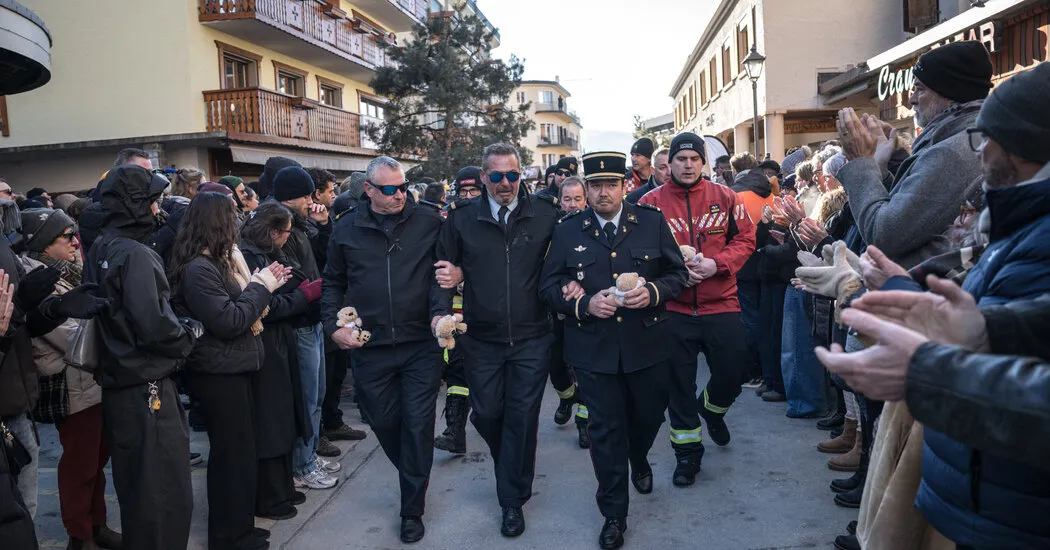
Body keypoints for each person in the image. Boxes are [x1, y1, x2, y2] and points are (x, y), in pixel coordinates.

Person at [541, 152, 689, 549]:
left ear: (625, 186)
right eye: (595, 186)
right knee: (605, 432)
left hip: (647, 344)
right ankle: (613, 514)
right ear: (584, 189)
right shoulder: (568, 230)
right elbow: (548, 286)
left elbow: (678, 275)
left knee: (647, 419)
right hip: (593, 349)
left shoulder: (651, 223)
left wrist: (653, 292)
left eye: (611, 184)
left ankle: (638, 457)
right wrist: (583, 304)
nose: (603, 193)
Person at [322, 156, 449, 544]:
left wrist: (442, 307)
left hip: (420, 345)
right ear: (369, 190)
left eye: (403, 186)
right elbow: (332, 284)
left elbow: (444, 273)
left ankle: (412, 507)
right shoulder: (345, 229)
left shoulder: (429, 221)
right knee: (385, 422)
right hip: (370, 346)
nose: (399, 195)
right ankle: (413, 470)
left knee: (418, 424)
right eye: (390, 189)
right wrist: (332, 328)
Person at [436, 142, 561, 537]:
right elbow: (444, 272)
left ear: (521, 175)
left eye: (513, 175)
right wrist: (442, 311)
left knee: (522, 418)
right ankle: (510, 462)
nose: (506, 184)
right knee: (487, 414)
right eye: (497, 176)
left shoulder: (546, 214)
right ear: (483, 177)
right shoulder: (461, 219)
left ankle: (512, 499)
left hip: (532, 336)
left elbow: (563, 265)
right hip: (483, 338)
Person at [85, 164, 202, 550]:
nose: (159, 210)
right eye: (153, 202)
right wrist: (188, 333)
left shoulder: (102, 244)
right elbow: (154, 326)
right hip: (145, 387)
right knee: (164, 493)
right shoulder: (134, 254)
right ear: (135, 205)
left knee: (138, 490)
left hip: (120, 386)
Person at [170, 192, 289, 550]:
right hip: (217, 373)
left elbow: (238, 308)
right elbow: (229, 320)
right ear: (216, 223)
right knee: (230, 456)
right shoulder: (198, 269)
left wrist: (259, 288)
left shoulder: (214, 263)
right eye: (232, 215)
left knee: (239, 454)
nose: (238, 221)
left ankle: (240, 527)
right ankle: (228, 537)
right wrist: (260, 287)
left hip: (232, 367)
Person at [639, 132, 756, 486]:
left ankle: (714, 408)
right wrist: (672, 276)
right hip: (672, 310)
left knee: (734, 370)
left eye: (694, 159)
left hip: (721, 303)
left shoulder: (727, 197)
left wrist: (717, 264)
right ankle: (688, 455)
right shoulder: (649, 203)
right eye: (680, 159)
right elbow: (639, 253)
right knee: (678, 386)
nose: (687, 165)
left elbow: (746, 239)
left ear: (703, 163)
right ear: (669, 164)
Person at [19, 208, 122, 550]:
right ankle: (80, 535)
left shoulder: (65, 271)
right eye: (66, 237)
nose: (75, 242)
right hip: (69, 382)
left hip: (88, 380)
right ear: (45, 244)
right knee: (80, 465)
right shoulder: (37, 278)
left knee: (96, 459)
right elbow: (71, 335)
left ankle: (97, 524)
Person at [239, 203, 316, 521]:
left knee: (285, 416)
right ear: (271, 232)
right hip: (265, 345)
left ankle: (282, 486)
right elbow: (264, 306)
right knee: (272, 420)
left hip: (280, 342)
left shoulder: (269, 252)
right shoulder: (251, 256)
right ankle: (270, 495)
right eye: (286, 232)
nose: (288, 238)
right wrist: (305, 295)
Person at [271, 165, 341, 488]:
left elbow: (327, 259)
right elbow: (290, 277)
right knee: (308, 398)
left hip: (312, 319)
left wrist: (323, 226)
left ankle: (309, 456)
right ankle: (302, 465)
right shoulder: (279, 226)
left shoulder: (301, 224)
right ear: (290, 197)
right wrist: (312, 289)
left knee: (318, 393)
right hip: (299, 323)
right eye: (305, 195)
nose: (311, 200)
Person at [434, 165, 484, 455]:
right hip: (458, 311)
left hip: (491, 311)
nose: (467, 196)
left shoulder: (492, 219)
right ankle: (455, 430)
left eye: (473, 190)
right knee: (457, 368)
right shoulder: (449, 219)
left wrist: (465, 274)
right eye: (463, 190)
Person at [548, 176, 591, 448]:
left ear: (585, 200)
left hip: (585, 313)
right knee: (556, 366)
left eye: (578, 199)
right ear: (559, 201)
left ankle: (584, 423)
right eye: (567, 199)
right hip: (555, 312)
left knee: (585, 369)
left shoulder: (593, 228)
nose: (573, 204)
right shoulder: (552, 228)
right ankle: (566, 397)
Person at [730, 168, 776, 388]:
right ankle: (764, 371)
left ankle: (752, 370)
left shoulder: (736, 197)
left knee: (748, 320)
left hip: (744, 267)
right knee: (764, 320)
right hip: (768, 266)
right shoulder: (773, 196)